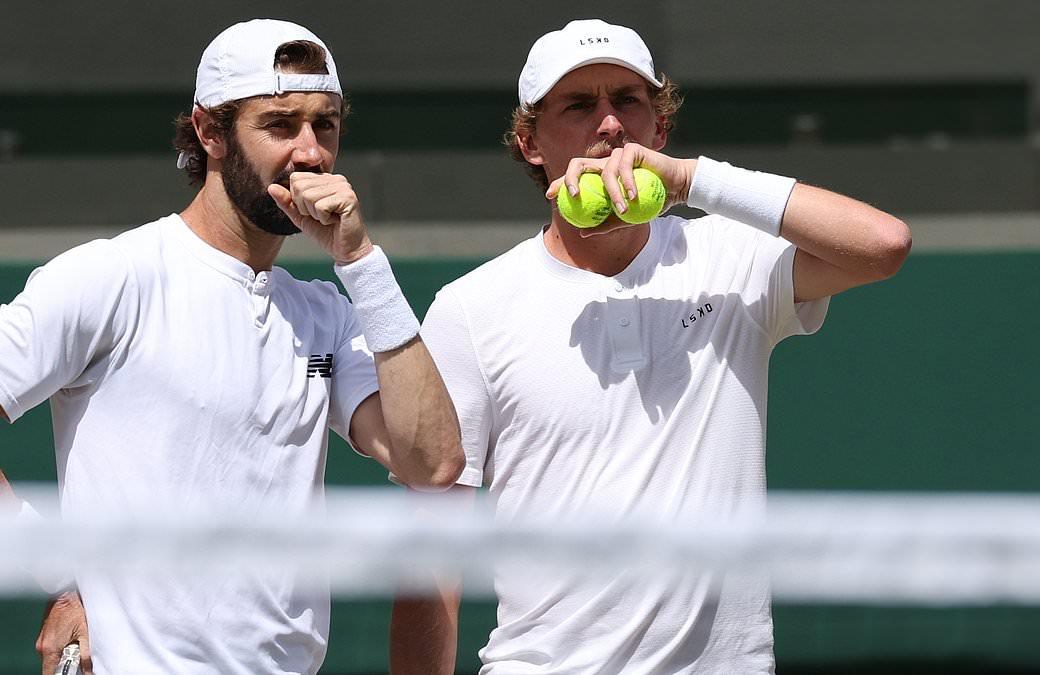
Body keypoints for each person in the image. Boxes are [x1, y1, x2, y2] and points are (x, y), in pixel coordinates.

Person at [0, 19, 464, 675]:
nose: (310, 152)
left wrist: (360, 259)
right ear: (210, 131)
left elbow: (433, 465)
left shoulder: (327, 313)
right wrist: (55, 576)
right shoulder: (113, 277)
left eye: (324, 125)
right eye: (280, 124)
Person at [389, 19, 911, 674]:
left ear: (658, 130)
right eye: (579, 106)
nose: (610, 125)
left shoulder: (731, 257)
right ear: (529, 142)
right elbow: (434, 546)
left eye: (628, 101)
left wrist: (691, 181)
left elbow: (883, 244)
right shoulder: (470, 308)